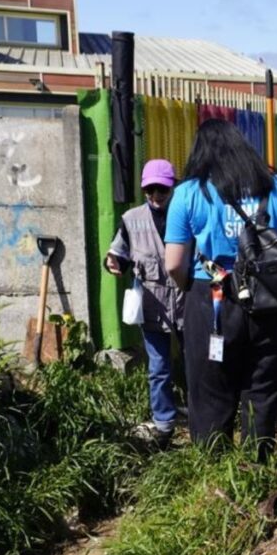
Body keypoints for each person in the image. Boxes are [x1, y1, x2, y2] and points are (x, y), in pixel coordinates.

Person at [164, 120, 277, 462]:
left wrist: (185, 288)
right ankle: (255, 468)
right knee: (261, 388)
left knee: (210, 390)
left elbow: (174, 263)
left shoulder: (189, 193)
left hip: (213, 300)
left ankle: (214, 474)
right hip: (273, 301)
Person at [105, 158, 184, 449]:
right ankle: (164, 424)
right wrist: (112, 263)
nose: (155, 197)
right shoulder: (130, 219)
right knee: (159, 366)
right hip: (152, 305)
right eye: (149, 191)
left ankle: (203, 417)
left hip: (186, 302)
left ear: (172, 188)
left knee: (196, 362)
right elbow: (118, 254)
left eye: (161, 191)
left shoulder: (186, 212)